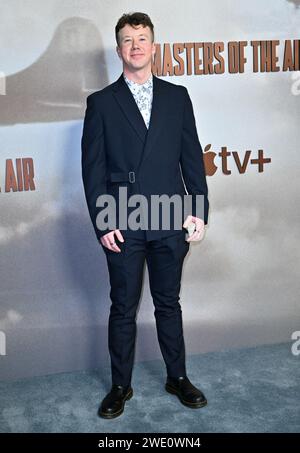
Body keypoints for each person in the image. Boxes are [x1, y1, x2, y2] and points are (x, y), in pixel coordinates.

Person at [81, 12, 209, 419]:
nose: (135, 45)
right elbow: (93, 170)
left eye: (142, 38)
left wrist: (198, 211)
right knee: (123, 306)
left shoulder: (178, 96)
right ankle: (120, 386)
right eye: (127, 40)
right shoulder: (100, 103)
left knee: (168, 303)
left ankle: (177, 377)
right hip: (122, 219)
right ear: (119, 50)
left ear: (154, 46)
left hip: (171, 217)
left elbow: (192, 159)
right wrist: (104, 222)